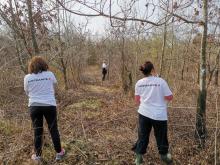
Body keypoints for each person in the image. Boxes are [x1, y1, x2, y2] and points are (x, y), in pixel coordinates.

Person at [24, 56, 65, 161]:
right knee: (53, 129)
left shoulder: (27, 77)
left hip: (34, 106)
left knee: (37, 131)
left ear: (31, 66)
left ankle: (37, 156)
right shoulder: (50, 74)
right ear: (44, 64)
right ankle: (59, 153)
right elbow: (55, 86)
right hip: (49, 105)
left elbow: (27, 92)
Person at [132, 61, 173, 165]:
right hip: (159, 115)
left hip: (144, 113)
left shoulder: (139, 83)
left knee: (142, 136)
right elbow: (170, 97)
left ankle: (138, 159)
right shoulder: (161, 81)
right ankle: (165, 157)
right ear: (152, 70)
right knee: (161, 137)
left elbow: (137, 101)